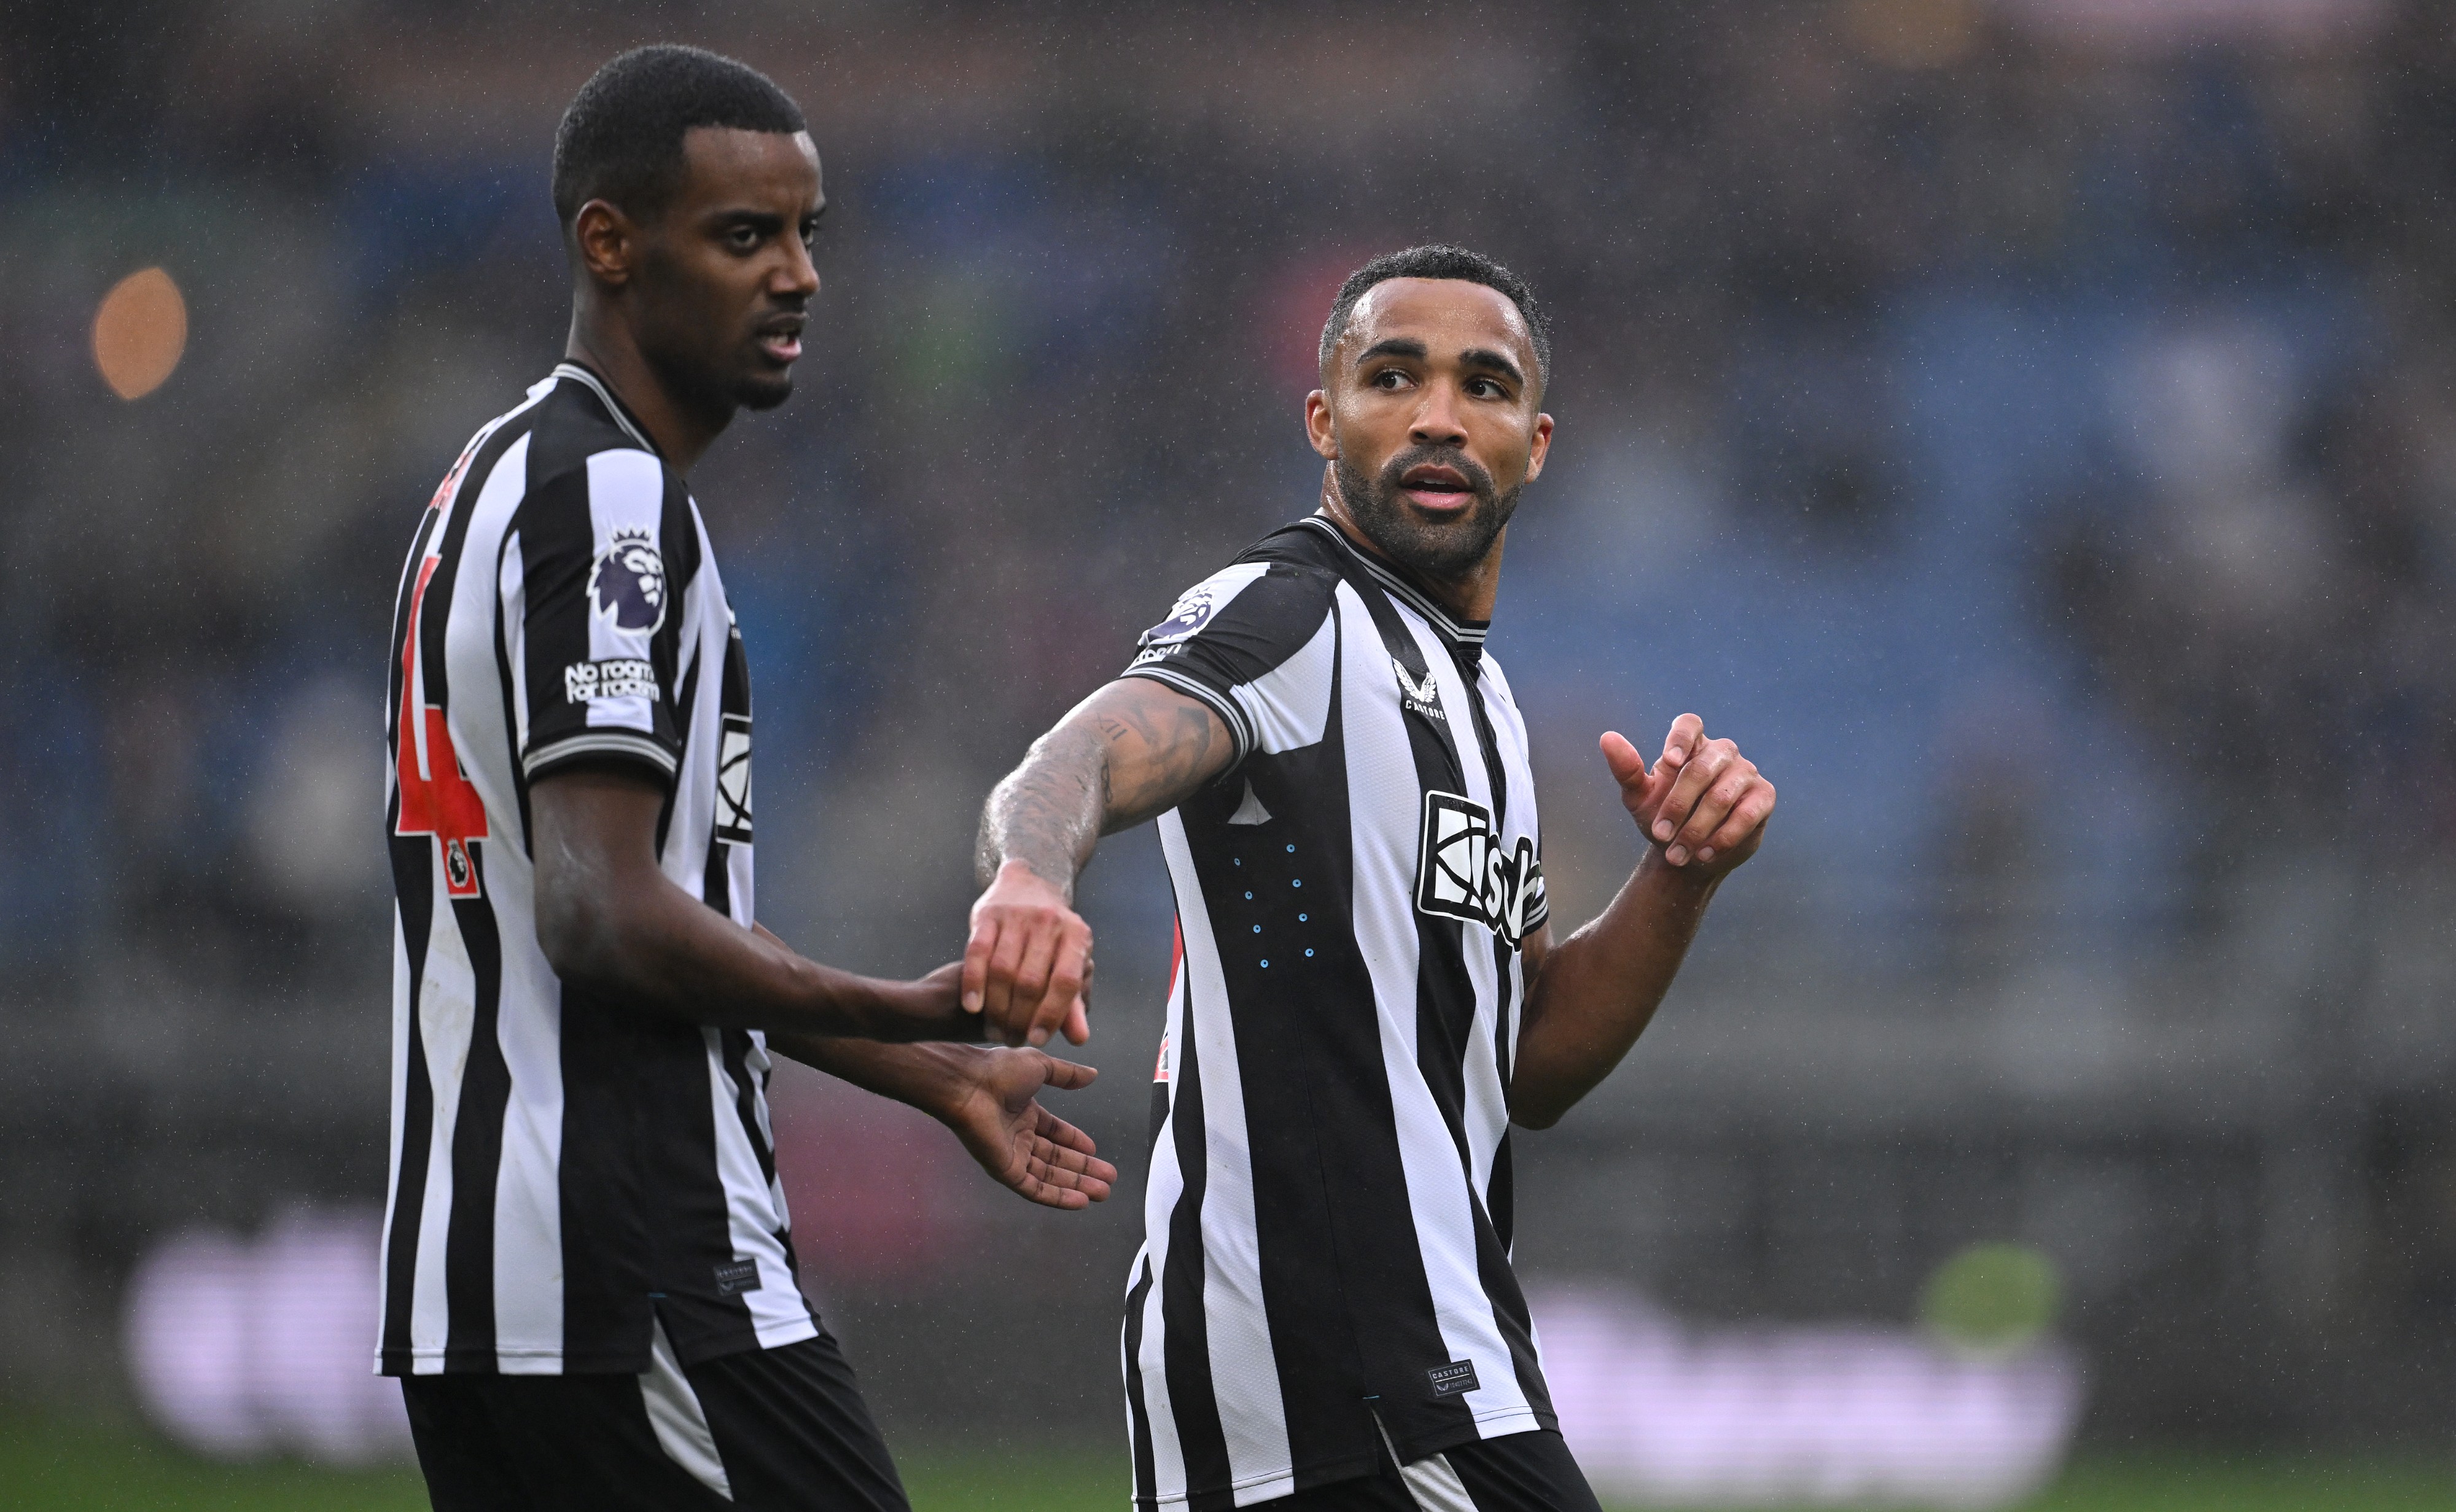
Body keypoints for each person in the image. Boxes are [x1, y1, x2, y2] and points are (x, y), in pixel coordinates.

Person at [379, 45, 1115, 1511]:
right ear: (610, 242)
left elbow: (650, 913)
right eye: (742, 236)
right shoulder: (607, 494)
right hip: (635, 1262)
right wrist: (895, 1004)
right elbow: (600, 916)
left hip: (500, 1276)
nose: (798, 277)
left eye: (806, 234)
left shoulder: (498, 478)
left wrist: (926, 1072)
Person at [964, 245, 1776, 1510]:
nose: (1439, 416)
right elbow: (1074, 754)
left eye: (1484, 385)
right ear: (1321, 419)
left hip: (1414, 1366)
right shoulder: (1287, 616)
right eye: (1391, 377)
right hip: (1343, 1375)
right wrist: (1028, 875)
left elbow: (1526, 1064)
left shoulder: (1486, 709)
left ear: (1537, 440)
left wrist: (1676, 877)